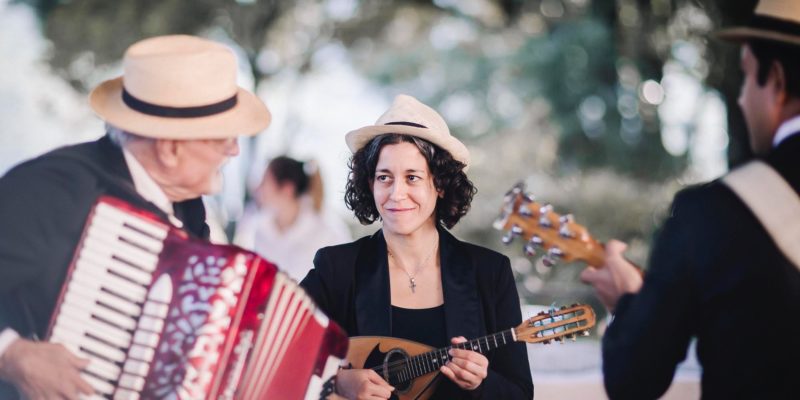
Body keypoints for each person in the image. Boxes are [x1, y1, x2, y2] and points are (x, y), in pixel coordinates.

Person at [0, 35, 270, 399]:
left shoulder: (187, 206)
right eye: (224, 138)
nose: (235, 149)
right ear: (171, 148)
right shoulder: (50, 189)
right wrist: (13, 355)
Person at [579, 1, 800, 398]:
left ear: (778, 81)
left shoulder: (713, 213)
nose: (742, 99)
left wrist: (630, 303)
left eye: (748, 77)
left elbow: (633, 381)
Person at [300, 94, 533, 399]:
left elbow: (520, 394)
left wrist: (482, 383)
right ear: (370, 184)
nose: (397, 193)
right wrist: (340, 383)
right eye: (385, 178)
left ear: (440, 184)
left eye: (412, 178)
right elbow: (282, 353)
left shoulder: (489, 273)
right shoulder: (337, 269)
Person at [234, 155, 352, 281]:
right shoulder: (259, 228)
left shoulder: (329, 231)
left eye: (265, 181)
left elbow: (345, 282)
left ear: (287, 189)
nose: (257, 189)